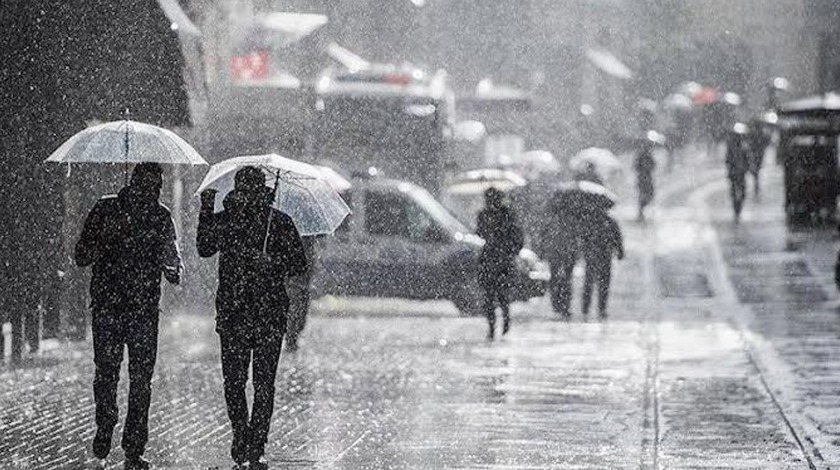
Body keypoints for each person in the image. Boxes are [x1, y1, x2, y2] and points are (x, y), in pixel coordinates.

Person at [197, 166, 308, 469]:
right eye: (244, 190)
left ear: (263, 191)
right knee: (234, 381)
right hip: (234, 311)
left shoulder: (279, 223)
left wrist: (271, 261)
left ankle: (256, 441)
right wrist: (206, 209)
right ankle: (240, 432)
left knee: (263, 382)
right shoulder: (227, 218)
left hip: (269, 312)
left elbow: (299, 263)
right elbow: (205, 247)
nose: (248, 196)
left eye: (253, 190)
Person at [74, 163, 182, 470]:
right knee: (106, 374)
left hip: (144, 311)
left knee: (141, 380)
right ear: (133, 183)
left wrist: (174, 270)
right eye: (149, 187)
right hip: (109, 307)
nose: (153, 193)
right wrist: (108, 237)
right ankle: (106, 423)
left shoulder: (161, 217)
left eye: (157, 188)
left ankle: (134, 446)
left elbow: (172, 258)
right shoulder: (105, 210)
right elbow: (81, 255)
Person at [475, 187, 524, 341]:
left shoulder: (507, 214)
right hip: (490, 259)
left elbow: (517, 237)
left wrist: (508, 249)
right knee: (489, 297)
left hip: (502, 260)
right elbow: (479, 232)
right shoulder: (484, 214)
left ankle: (505, 322)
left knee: (502, 296)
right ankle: (492, 327)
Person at [539, 198, 582, 318]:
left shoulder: (551, 221)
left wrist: (543, 252)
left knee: (555, 278)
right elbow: (577, 238)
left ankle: (557, 304)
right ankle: (564, 305)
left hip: (555, 254)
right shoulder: (572, 221)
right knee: (566, 280)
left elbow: (543, 238)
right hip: (567, 254)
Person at [580, 211, 624, 318]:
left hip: (592, 256)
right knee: (603, 284)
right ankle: (602, 309)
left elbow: (583, 238)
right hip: (605, 256)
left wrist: (584, 251)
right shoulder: (610, 221)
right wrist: (619, 251)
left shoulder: (589, 220)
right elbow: (617, 238)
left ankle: (586, 308)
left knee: (589, 282)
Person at [284, 235, 318, 352]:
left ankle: (292, 336)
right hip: (294, 284)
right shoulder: (292, 244)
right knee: (295, 311)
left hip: (303, 285)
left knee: (301, 313)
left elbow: (311, 267)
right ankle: (291, 337)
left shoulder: (310, 247)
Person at [726, 125, 750, 223]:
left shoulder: (744, 147)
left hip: (741, 173)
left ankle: (738, 207)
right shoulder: (731, 147)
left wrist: (745, 168)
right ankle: (736, 208)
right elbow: (727, 160)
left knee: (742, 192)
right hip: (734, 174)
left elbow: (747, 159)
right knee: (734, 191)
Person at [635, 140, 656, 221]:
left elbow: (654, 166)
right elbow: (636, 166)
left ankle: (642, 211)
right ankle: (641, 212)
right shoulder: (641, 156)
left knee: (648, 195)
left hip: (647, 179)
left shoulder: (649, 156)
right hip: (643, 179)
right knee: (643, 195)